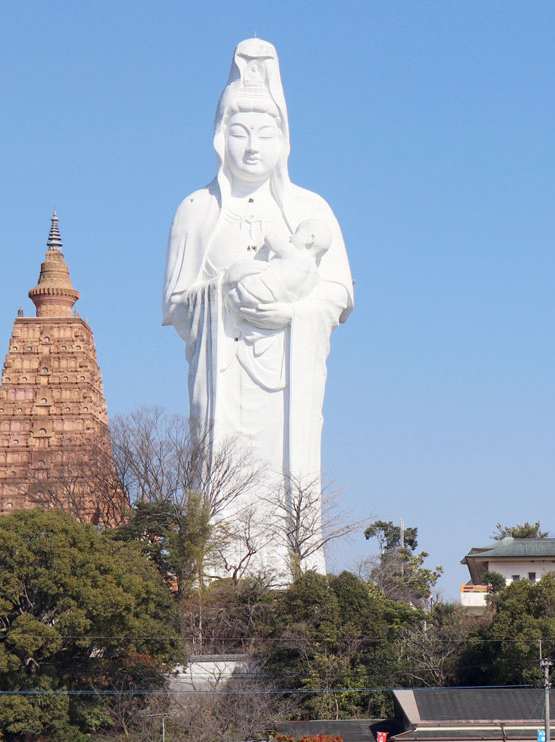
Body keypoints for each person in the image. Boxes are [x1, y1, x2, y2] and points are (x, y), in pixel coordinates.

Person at [162, 39, 353, 577]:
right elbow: (177, 305)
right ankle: (210, 575)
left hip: (288, 380)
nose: (251, 148)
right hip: (222, 377)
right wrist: (224, 293)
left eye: (264, 134)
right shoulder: (196, 210)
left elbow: (338, 294)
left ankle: (296, 570)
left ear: (283, 140)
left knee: (286, 484)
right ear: (220, 136)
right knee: (221, 479)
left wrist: (294, 314)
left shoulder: (311, 208)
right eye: (239, 132)